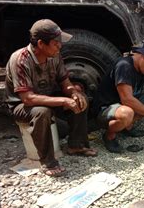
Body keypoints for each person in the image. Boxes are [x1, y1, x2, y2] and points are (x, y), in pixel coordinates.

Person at [5, 19, 97, 177]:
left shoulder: (55, 56)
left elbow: (64, 82)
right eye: (56, 43)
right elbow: (28, 99)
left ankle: (77, 144)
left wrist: (73, 93)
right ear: (41, 44)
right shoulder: (20, 60)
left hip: (46, 96)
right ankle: (48, 161)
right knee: (42, 112)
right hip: (21, 105)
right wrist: (63, 100)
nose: (59, 46)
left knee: (80, 98)